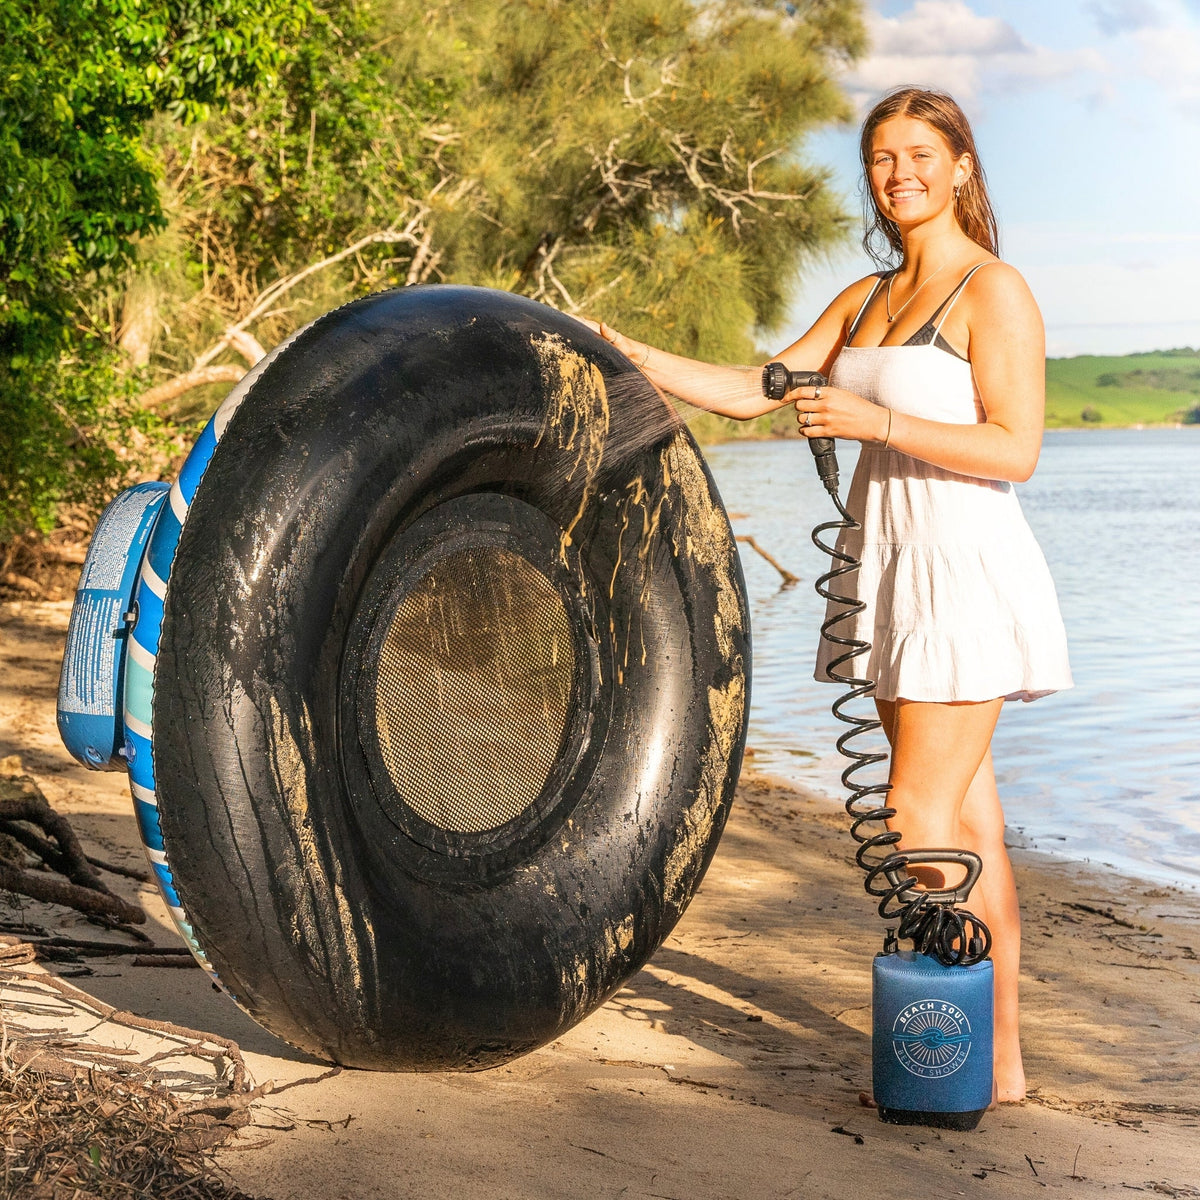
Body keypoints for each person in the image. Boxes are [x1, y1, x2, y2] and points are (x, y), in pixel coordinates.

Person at [582, 86, 1072, 1104]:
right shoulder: (863, 298)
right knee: (966, 817)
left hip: (959, 571)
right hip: (883, 568)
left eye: (921, 155)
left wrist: (870, 419)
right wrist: (626, 356)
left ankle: (942, 1039)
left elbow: (1015, 448)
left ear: (962, 167)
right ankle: (1000, 1062)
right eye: (884, 158)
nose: (901, 174)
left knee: (911, 809)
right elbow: (756, 383)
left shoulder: (995, 291)